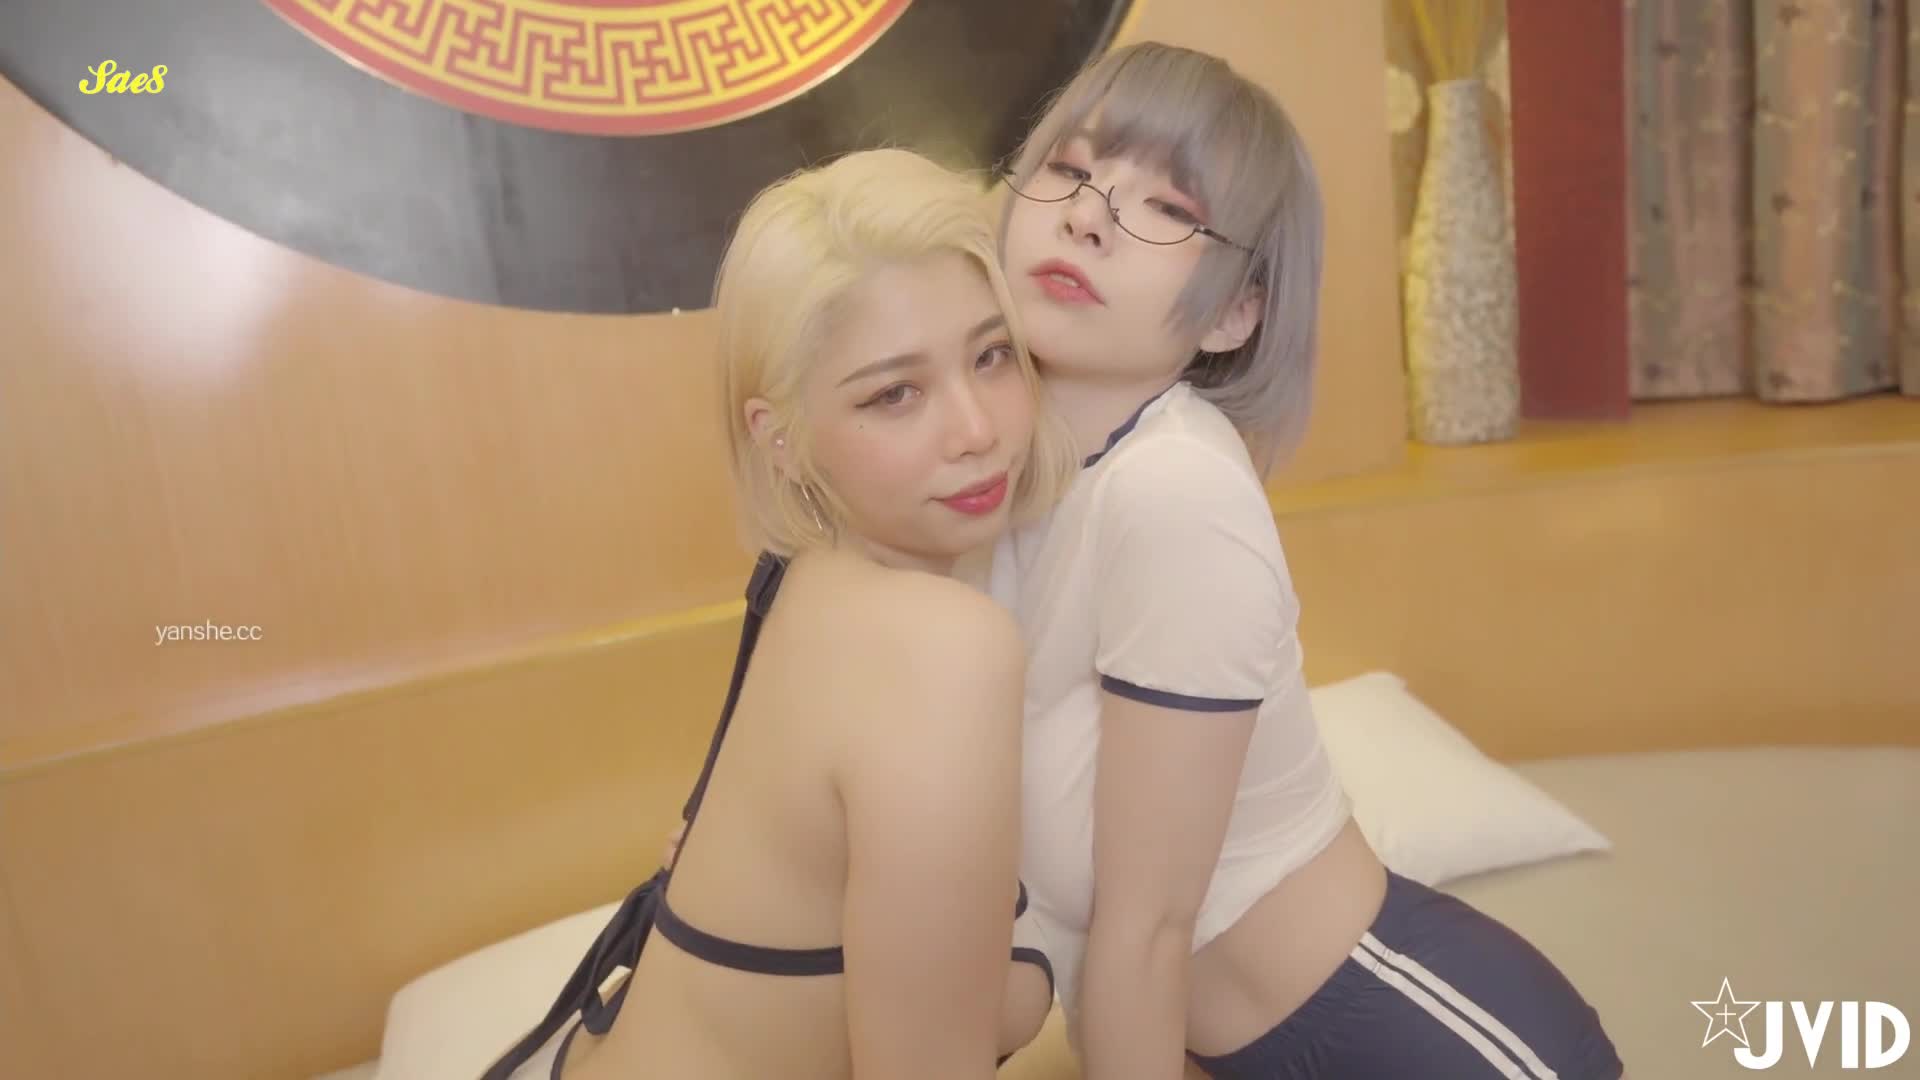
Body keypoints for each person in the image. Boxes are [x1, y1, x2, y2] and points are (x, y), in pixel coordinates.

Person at [981, 42, 1627, 1080]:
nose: (1088, 217)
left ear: (1235, 313)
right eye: (1069, 167)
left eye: (1170, 208)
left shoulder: (1175, 493)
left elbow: (1147, 931)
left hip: (1408, 1040)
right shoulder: (998, 493)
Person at [546, 147, 1078, 1080]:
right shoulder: (946, 646)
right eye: (895, 393)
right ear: (780, 437)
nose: (977, 430)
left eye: (991, 356)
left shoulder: (799, 576)